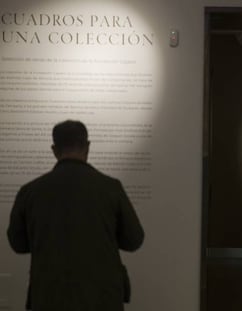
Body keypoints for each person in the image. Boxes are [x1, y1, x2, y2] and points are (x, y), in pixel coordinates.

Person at [7, 120, 144, 311]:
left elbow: (18, 244)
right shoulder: (111, 188)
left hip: (49, 297)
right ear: (87, 147)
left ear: (54, 150)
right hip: (102, 298)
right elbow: (134, 240)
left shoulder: (30, 191)